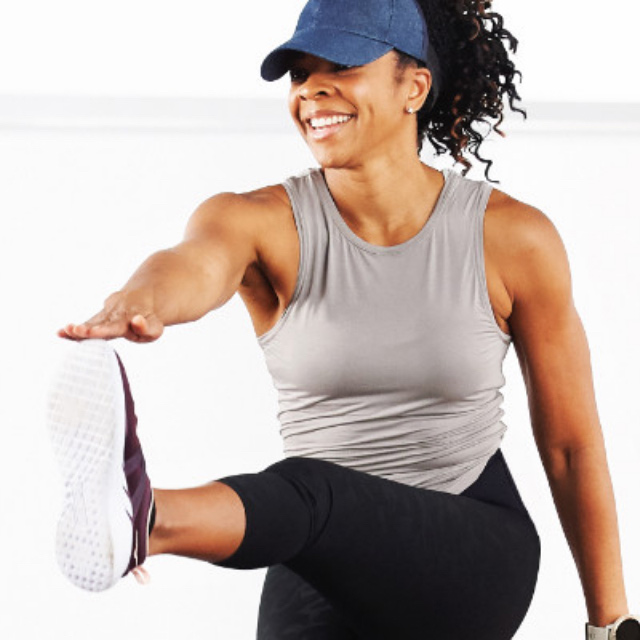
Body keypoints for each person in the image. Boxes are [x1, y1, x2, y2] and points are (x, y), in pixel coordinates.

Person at [48, 0, 638, 638]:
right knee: (314, 501)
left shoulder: (512, 237)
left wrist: (611, 625)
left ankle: (147, 519)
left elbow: (571, 447)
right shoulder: (258, 220)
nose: (312, 91)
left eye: (343, 65)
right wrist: (142, 300)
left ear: (414, 87)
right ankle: (135, 516)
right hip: (318, 548)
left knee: (310, 490)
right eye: (300, 74)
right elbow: (195, 263)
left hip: (470, 544)